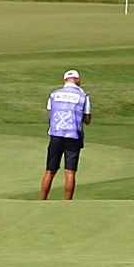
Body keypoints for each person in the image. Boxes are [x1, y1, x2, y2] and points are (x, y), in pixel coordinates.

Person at [43, 69, 92, 198]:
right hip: (73, 136)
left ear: (65, 80)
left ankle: (42, 200)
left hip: (56, 135)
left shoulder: (54, 94)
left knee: (50, 171)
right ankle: (67, 203)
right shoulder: (83, 96)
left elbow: (50, 114)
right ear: (77, 80)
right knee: (70, 172)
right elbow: (87, 120)